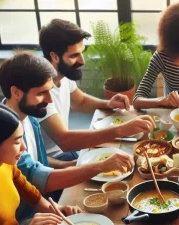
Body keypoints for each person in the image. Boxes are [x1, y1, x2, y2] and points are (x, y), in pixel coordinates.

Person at [0, 51, 134, 222]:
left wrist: (69, 165)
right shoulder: (5, 133)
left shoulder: (29, 116)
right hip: (23, 218)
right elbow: (40, 177)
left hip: (43, 202)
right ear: (16, 92)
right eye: (41, 93)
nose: (49, 100)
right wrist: (100, 166)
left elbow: (36, 163)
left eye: (50, 92)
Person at [38, 19, 155, 163]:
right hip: (54, 160)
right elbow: (65, 141)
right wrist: (122, 130)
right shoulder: (40, 89)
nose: (83, 61)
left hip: (68, 151)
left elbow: (80, 102)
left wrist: (108, 104)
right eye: (74, 56)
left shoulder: (62, 73)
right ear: (54, 57)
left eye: (81, 52)